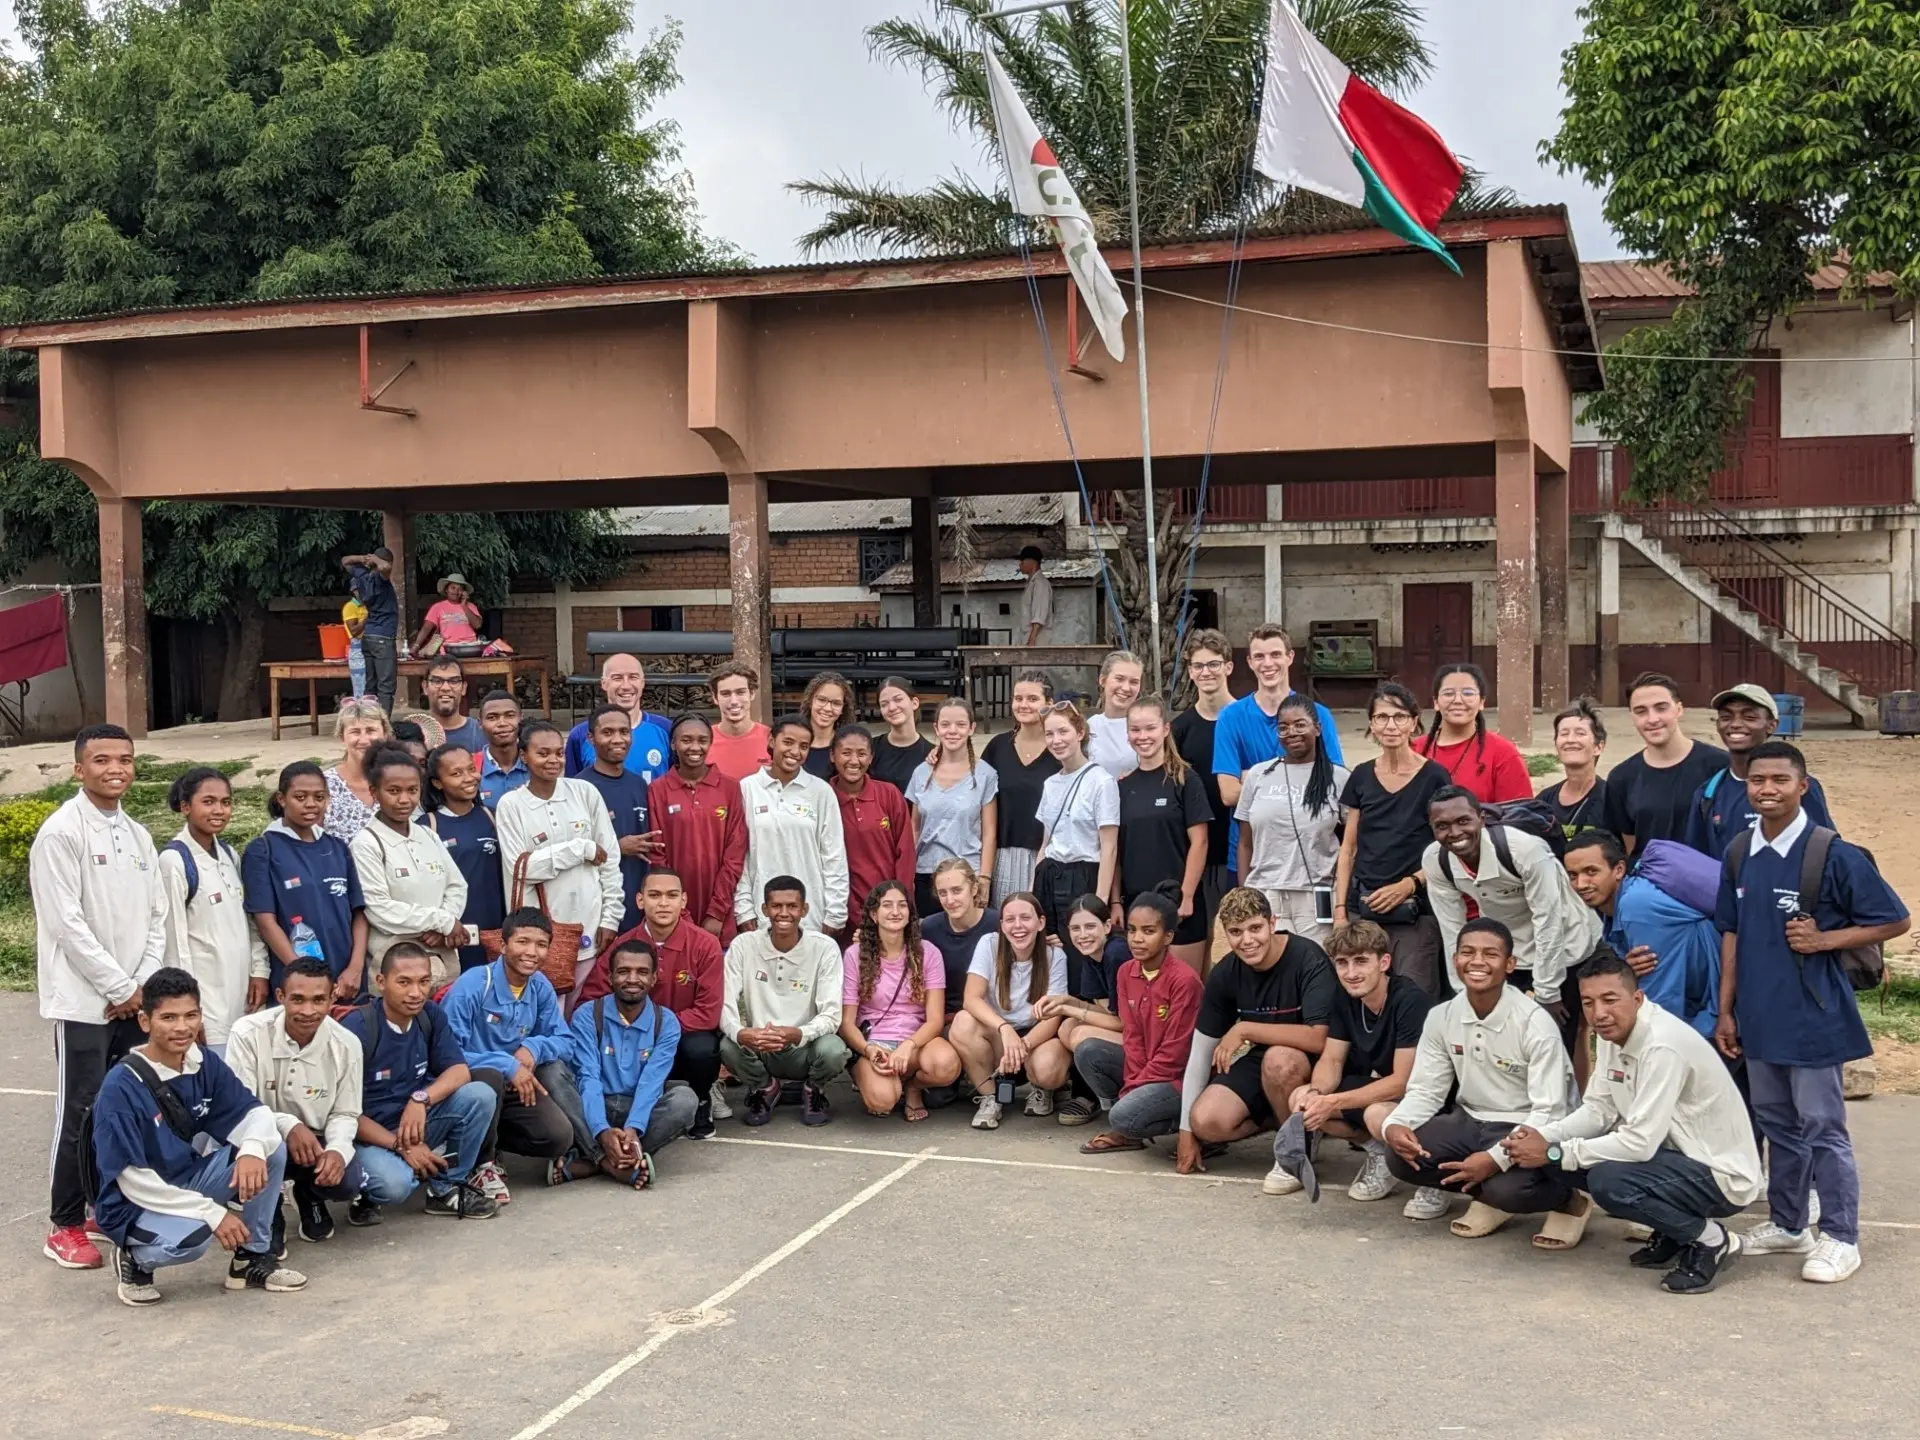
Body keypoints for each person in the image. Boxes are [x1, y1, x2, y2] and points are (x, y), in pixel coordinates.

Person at [1715, 740, 1909, 1284]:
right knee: (1777, 1123)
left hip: (1813, 1013)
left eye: (1780, 780)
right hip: (1757, 1015)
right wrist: (1726, 1011)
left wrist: (1826, 940)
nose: (1768, 790)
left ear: (1803, 787)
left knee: (1823, 1125)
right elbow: (1730, 934)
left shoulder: (1831, 853)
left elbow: (1894, 920)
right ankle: (1789, 1222)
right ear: (1747, 788)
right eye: (1758, 782)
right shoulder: (1738, 852)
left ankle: (1842, 1236)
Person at [1504, 953, 1763, 1294]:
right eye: (1588, 1003)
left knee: (1609, 1180)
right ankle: (1674, 1233)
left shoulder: (1662, 1045)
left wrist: (1553, 1152)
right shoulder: (1615, 1034)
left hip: (1720, 1175)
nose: (1599, 1013)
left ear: (1637, 999)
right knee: (1564, 1163)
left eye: (1610, 1000)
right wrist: (1541, 1137)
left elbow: (1639, 1143)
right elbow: (1597, 1110)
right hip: (1673, 1159)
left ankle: (1712, 1240)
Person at [32, 723, 167, 1270]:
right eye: (102, 759)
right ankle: (63, 1224)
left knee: (122, 1108)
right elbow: (66, 923)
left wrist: (142, 986)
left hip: (132, 998)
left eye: (126, 759)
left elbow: (156, 917)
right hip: (84, 1002)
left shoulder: (136, 834)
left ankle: (97, 1204)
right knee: (79, 1110)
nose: (116, 769)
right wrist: (118, 987)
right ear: (78, 768)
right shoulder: (61, 832)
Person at [88, 968, 305, 1306]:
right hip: (134, 1204)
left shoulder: (203, 1062)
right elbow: (132, 1180)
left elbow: (255, 1112)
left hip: (185, 1180)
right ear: (145, 1022)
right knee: (193, 1237)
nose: (181, 1027)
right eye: (169, 1017)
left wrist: (250, 1149)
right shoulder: (121, 1086)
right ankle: (135, 1259)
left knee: (269, 1146)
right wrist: (211, 1212)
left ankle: (251, 1260)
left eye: (190, 1015)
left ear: (201, 1016)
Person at [1379, 919, 1581, 1240]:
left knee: (1508, 1188)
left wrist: (1494, 1159)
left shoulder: (1534, 1023)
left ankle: (1569, 1201)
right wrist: (1396, 1125)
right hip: (1471, 1120)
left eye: (1490, 954)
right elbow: (1427, 1090)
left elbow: (1549, 1111)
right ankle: (1486, 1197)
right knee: (1400, 1158)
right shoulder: (1442, 1015)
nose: (1477, 962)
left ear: (1510, 964)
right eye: (1467, 952)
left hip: (1529, 1126)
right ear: (1455, 959)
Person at [1175, 888, 1337, 1190]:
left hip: (1313, 1064)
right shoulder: (1225, 973)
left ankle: (1294, 1150)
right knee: (1207, 1120)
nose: (1247, 941)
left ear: (1272, 922)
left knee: (1280, 1060)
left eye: (1255, 928)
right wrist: (1186, 1133)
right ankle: (1285, 1123)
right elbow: (1200, 1052)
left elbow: (1318, 1039)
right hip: (1259, 1061)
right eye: (1236, 932)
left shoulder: (1307, 958)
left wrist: (1245, 1028)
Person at [1424, 786, 1604, 1034]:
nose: (1455, 833)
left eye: (1463, 821)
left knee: (1561, 1040)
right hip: (1514, 951)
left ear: (1482, 819)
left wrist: (1548, 993)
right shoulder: (1435, 859)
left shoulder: (1524, 850)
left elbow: (1548, 920)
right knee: (1507, 1039)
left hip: (1568, 944)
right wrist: (1463, 991)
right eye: (1442, 826)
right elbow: (1452, 929)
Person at [340, 944, 499, 1221]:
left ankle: (445, 1190)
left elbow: (459, 1071)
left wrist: (421, 1099)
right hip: (366, 1135)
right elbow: (342, 1113)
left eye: (424, 981)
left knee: (481, 1094)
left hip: (413, 1124)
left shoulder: (429, 1015)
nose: (416, 992)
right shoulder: (358, 1029)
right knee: (395, 1185)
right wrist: (401, 1146)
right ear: (381, 982)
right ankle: (364, 1194)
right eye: (404, 982)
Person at [1285, 920, 1433, 1202]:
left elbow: (1402, 1083)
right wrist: (1317, 1094)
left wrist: (1334, 1102)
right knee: (1301, 1098)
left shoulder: (1410, 1000)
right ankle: (1379, 1154)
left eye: (1361, 961)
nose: (1351, 973)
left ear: (1384, 962)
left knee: (1378, 1114)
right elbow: (1332, 1059)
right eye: (1342, 963)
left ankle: (1434, 1179)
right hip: (1386, 1090)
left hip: (1430, 1099)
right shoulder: (1345, 997)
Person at [224, 957, 366, 1249]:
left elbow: (346, 1111)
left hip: (314, 1141)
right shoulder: (246, 1033)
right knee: (247, 1152)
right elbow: (241, 1106)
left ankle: (308, 1194)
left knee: (347, 1180)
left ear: (332, 998)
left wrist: (337, 1150)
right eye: (297, 999)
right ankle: (269, 1208)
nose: (308, 1011)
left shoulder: (347, 1044)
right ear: (280, 997)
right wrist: (288, 1125)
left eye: (318, 1000)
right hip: (259, 1137)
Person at [442, 909, 587, 1191]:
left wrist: (533, 1048)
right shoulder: (474, 985)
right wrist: (507, 1064)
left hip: (514, 1089)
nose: (531, 952)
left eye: (541, 944)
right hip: (471, 1088)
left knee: (558, 1137)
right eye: (523, 942)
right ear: (503, 945)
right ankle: (480, 1163)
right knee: (491, 1076)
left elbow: (565, 1041)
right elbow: (448, 1055)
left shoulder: (539, 986)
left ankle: (488, 1140)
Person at [578, 868, 727, 1138]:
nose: (663, 903)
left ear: (683, 901)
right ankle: (621, 1104)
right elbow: (591, 999)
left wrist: (658, 1028)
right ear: (639, 900)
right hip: (628, 1043)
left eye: (671, 896)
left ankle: (701, 1099)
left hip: (680, 1038)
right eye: (654, 895)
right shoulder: (623, 946)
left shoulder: (706, 945)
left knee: (703, 1048)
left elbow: (708, 1013)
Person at [1067, 884, 1204, 1155]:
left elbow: (1175, 1055)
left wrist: (1134, 1088)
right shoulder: (1126, 972)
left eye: (1148, 931)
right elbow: (1132, 1038)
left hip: (1180, 1078)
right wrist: (1134, 1084)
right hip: (1147, 1071)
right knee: (1088, 1052)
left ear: (1168, 937)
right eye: (1132, 930)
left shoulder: (1185, 980)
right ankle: (1129, 1130)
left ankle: (1200, 1130)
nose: (1137, 939)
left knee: (1122, 1116)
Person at [1332, 682, 1450, 996]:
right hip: (1365, 906)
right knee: (1363, 994)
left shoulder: (1435, 777)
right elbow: (1348, 849)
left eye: (1399, 717)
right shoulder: (1360, 775)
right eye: (1382, 717)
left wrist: (1410, 884)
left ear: (1414, 722)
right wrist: (1341, 912)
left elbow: (1448, 848)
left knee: (1415, 994)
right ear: (1371, 724)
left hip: (1415, 910)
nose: (1391, 725)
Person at [558, 938, 697, 1188]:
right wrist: (601, 1129)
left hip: (638, 1107)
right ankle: (607, 1160)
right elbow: (588, 1078)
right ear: (610, 977)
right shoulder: (588, 1015)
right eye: (623, 972)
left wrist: (633, 1128)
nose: (632, 979)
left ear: (654, 978)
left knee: (686, 1099)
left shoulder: (665, 1022)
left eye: (642, 972)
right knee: (553, 1075)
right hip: (592, 1106)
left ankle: (596, 1158)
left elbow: (651, 1082)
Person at [495, 718, 625, 983]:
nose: (553, 760)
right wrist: (580, 848)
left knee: (581, 1010)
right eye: (542, 754)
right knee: (547, 1008)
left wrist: (611, 918)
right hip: (539, 933)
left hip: (590, 923)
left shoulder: (585, 792)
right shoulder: (511, 805)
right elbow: (523, 869)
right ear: (524, 756)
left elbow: (609, 860)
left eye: (558, 753)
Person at [1213, 625, 1343, 880]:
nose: (1267, 663)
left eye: (1275, 654)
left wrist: (1253, 778)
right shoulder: (1230, 717)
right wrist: (1299, 778)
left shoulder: (1319, 715)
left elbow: (1331, 786)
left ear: (1290, 657)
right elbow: (1228, 794)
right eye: (1259, 657)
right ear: (1250, 662)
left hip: (1309, 857)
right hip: (1250, 856)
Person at [722, 877, 850, 1126]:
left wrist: (797, 1033)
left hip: (805, 1046)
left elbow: (832, 1015)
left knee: (834, 1049)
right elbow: (725, 1004)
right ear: (764, 910)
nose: (784, 913)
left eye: (792, 906)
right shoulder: (744, 945)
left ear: (804, 910)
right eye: (776, 906)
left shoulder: (824, 948)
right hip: (760, 1045)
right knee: (728, 1045)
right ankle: (765, 1087)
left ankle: (813, 1090)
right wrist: (742, 1033)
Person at [1565, 829, 1719, 1036]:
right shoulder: (1615, 906)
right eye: (1573, 876)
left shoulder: (1635, 906)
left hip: (1716, 1016)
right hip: (1703, 1009)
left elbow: (1661, 1000)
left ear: (1619, 870)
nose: (1581, 884)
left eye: (1591, 872)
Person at [1234, 693, 1352, 948]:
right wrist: (1245, 893)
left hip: (1316, 895)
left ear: (1317, 729)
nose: (1292, 733)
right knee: (1269, 972)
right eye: (1283, 727)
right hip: (1264, 893)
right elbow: (1245, 843)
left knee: (1318, 970)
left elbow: (1349, 845)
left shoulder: (1339, 779)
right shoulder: (1258, 775)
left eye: (1300, 725)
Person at [243, 760, 368, 1001]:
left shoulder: (337, 847)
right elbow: (265, 922)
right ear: (282, 799)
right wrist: (304, 977)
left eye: (319, 797)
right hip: (297, 984)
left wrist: (355, 968)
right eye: (300, 797)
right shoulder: (263, 850)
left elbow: (359, 914)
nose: (311, 804)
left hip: (347, 983)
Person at [839, 881, 962, 1121]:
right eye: (887, 905)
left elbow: (935, 1020)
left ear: (910, 914)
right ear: (874, 914)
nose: (895, 912)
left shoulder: (928, 952)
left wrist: (908, 1045)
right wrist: (868, 1049)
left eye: (902, 906)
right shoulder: (855, 955)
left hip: (915, 1044)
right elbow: (846, 1024)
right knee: (882, 1102)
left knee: (946, 1065)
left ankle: (913, 1087)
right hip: (875, 1044)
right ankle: (875, 1078)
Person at [951, 892, 1071, 1129]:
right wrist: (1004, 1029)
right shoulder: (989, 944)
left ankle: (1042, 1089)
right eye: (1010, 919)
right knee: (962, 1022)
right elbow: (971, 998)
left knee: (1049, 1068)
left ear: (1041, 922)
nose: (1018, 926)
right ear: (1002, 925)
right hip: (999, 1035)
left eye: (1026, 918)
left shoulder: (1055, 955)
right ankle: (989, 1097)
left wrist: (1023, 1045)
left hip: (1035, 1038)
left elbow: (1054, 1014)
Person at [350, 747, 469, 985]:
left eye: (413, 790)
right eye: (393, 791)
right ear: (375, 792)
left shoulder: (427, 834)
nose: (404, 800)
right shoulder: (366, 844)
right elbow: (379, 909)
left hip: (441, 962)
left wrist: (444, 925)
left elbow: (457, 886)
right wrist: (441, 921)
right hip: (396, 968)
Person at [158, 767, 252, 1056]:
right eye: (208, 802)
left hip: (239, 1002)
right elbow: (174, 944)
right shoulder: (175, 860)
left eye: (225, 802)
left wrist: (258, 971)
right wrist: (187, 1011)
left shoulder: (229, 855)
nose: (219, 810)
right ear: (186, 807)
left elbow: (246, 922)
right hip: (206, 1008)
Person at [1685, 683, 1834, 859]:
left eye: (1749, 717)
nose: (1736, 724)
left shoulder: (1798, 788)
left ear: (1771, 725)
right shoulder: (1708, 795)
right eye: (1726, 717)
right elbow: (1695, 859)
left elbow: (1826, 851)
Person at [1115, 696, 1212, 968]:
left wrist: (1188, 895)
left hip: (1180, 906)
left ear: (1165, 729)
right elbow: (1116, 850)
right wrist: (1114, 901)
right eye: (1135, 729)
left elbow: (1200, 841)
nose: (1142, 736)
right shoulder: (1123, 787)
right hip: (1135, 903)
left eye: (1150, 728)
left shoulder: (1185, 779)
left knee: (1185, 992)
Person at [735, 715, 849, 936]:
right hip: (761, 911)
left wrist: (835, 913)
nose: (795, 752)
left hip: (811, 913)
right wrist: (743, 909)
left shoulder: (820, 791)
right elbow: (739, 855)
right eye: (788, 742)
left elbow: (834, 856)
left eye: (804, 746)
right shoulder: (747, 789)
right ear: (771, 741)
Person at [1601, 672, 1729, 857]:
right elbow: (1628, 845)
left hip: (1706, 881)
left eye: (1661, 708)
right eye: (1641, 711)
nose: (1652, 719)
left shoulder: (1719, 766)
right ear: (1632, 716)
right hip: (1648, 882)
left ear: (1679, 709)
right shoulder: (1621, 777)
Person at [648, 714, 748, 947]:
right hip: (672, 915)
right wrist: (679, 912)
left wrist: (717, 912)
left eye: (702, 740)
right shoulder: (658, 789)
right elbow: (658, 857)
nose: (695, 747)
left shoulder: (729, 788)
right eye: (686, 740)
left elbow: (735, 854)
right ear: (673, 744)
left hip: (720, 915)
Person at [1032, 702, 1121, 947]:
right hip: (1050, 875)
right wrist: (1034, 892)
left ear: (1080, 733)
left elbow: (1109, 846)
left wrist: (1101, 899)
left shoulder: (1101, 782)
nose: (1056, 740)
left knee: (1080, 948)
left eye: (1063, 731)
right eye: (1049, 734)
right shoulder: (1050, 783)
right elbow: (1046, 842)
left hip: (1083, 875)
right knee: (1050, 949)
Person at [904, 698, 999, 920]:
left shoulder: (985, 775)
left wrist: (984, 877)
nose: (952, 731)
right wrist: (907, 873)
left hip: (968, 874)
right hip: (927, 873)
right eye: (945, 725)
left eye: (960, 724)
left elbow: (989, 832)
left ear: (971, 728)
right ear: (936, 728)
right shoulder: (921, 772)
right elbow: (914, 828)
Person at [572, 705, 663, 934]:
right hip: (598, 908)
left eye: (624, 732)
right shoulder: (578, 788)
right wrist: (617, 847)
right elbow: (572, 848)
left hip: (636, 901)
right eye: (608, 732)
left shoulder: (639, 785)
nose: (618, 739)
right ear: (591, 738)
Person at [1172, 629, 1236, 941]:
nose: (1205, 672)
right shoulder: (1180, 729)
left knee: (1247, 937)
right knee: (1201, 940)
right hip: (1198, 852)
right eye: (1198, 666)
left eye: (1213, 664)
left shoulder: (1246, 719)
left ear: (1228, 667)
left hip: (1242, 848)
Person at [1047, 893, 1131, 1125]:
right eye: (1075, 928)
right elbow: (1107, 1011)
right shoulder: (1093, 954)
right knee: (1068, 1028)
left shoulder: (1117, 953)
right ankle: (1102, 1091)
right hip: (1128, 1029)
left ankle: (1117, 1101)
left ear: (1106, 926)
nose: (1082, 935)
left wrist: (1072, 1009)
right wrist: (1065, 1001)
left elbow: (1124, 1022)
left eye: (1090, 926)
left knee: (1080, 1033)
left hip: (1148, 1038)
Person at [981, 669, 1061, 906]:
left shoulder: (1060, 749)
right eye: (1018, 698)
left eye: (1032, 699)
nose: (1023, 705)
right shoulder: (997, 747)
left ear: (1049, 704)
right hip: (1004, 856)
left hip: (1049, 856)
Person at [425, 744, 505, 972]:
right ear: (437, 782)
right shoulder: (428, 826)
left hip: (495, 929)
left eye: (471, 769)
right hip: (453, 933)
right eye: (456, 773)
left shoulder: (492, 816)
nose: (469, 778)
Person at [830, 726, 916, 934]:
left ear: (870, 758)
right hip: (841, 913)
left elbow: (905, 853)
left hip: (890, 911)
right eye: (846, 753)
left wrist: (897, 904)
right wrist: (844, 912)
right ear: (833, 755)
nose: (853, 761)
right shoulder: (823, 797)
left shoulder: (888, 794)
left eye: (861, 754)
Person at [1412, 662, 1532, 803]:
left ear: (1481, 702)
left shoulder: (1502, 753)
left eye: (1468, 693)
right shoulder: (1413, 750)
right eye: (1448, 693)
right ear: (1436, 702)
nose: (1457, 700)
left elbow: (1521, 815)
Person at [564, 654, 671, 782]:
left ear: (642, 683)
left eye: (633, 677)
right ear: (604, 683)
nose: (626, 686)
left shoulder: (665, 729)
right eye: (617, 678)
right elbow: (571, 788)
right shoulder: (581, 734)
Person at [920, 857, 1000, 1018]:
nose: (950, 900)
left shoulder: (999, 923)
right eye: (943, 893)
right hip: (948, 1019)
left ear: (974, 888)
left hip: (994, 1017)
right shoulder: (929, 928)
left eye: (957, 891)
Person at [1536, 698, 1608, 843]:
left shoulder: (1611, 800)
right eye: (1563, 733)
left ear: (1598, 747)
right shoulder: (1544, 801)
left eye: (1580, 733)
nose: (1570, 739)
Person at [323, 696, 393, 842]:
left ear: (385, 734)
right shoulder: (323, 785)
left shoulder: (396, 779)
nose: (364, 740)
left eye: (371, 731)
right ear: (342, 737)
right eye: (355, 732)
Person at [341, 545, 399, 713]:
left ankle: (368, 721)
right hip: (383, 637)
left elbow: (345, 561)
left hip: (369, 637)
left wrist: (361, 558)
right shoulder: (380, 578)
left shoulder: (362, 576)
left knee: (370, 686)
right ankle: (383, 727)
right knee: (386, 686)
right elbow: (385, 567)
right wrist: (374, 559)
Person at [707, 662, 771, 783]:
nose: (734, 701)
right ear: (715, 698)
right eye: (726, 694)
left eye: (740, 692)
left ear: (752, 694)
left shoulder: (771, 739)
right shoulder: (703, 741)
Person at [1086, 650, 1145, 780]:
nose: (1126, 688)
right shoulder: (1089, 727)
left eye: (1134, 682)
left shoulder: (1147, 728)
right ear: (1102, 680)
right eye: (1119, 679)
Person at [869, 676, 933, 791]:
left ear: (914, 703)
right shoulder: (870, 748)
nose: (892, 708)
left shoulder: (932, 754)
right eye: (884, 704)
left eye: (898, 699)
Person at [475, 689, 529, 810]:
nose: (502, 723)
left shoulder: (535, 763)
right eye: (492, 717)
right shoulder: (471, 767)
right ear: (480, 723)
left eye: (510, 716)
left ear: (520, 718)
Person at [412, 572, 486, 657]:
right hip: (447, 649)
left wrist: (463, 606)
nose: (456, 591)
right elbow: (426, 628)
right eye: (453, 588)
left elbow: (477, 625)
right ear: (446, 589)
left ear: (464, 592)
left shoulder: (471, 606)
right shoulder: (438, 607)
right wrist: (416, 646)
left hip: (469, 647)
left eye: (460, 589)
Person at [422, 657, 485, 752]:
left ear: (464, 688)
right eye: (437, 681)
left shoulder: (481, 732)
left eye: (454, 681)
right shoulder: (414, 735)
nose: (446, 688)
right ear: (425, 687)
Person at [799, 670, 853, 780]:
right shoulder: (793, 742)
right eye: (821, 700)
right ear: (810, 701)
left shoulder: (848, 745)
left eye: (836, 703)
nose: (828, 708)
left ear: (843, 708)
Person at [1019, 544, 1052, 644]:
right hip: (1027, 637)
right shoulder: (1031, 583)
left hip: (1037, 640)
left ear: (1031, 562)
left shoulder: (1040, 584)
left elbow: (1039, 615)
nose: (1020, 565)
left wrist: (1032, 641)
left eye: (1022, 562)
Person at [342, 593, 369, 700]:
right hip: (358, 648)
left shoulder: (368, 606)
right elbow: (354, 631)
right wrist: (367, 617)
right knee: (361, 689)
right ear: (355, 591)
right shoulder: (350, 606)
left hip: (372, 645)